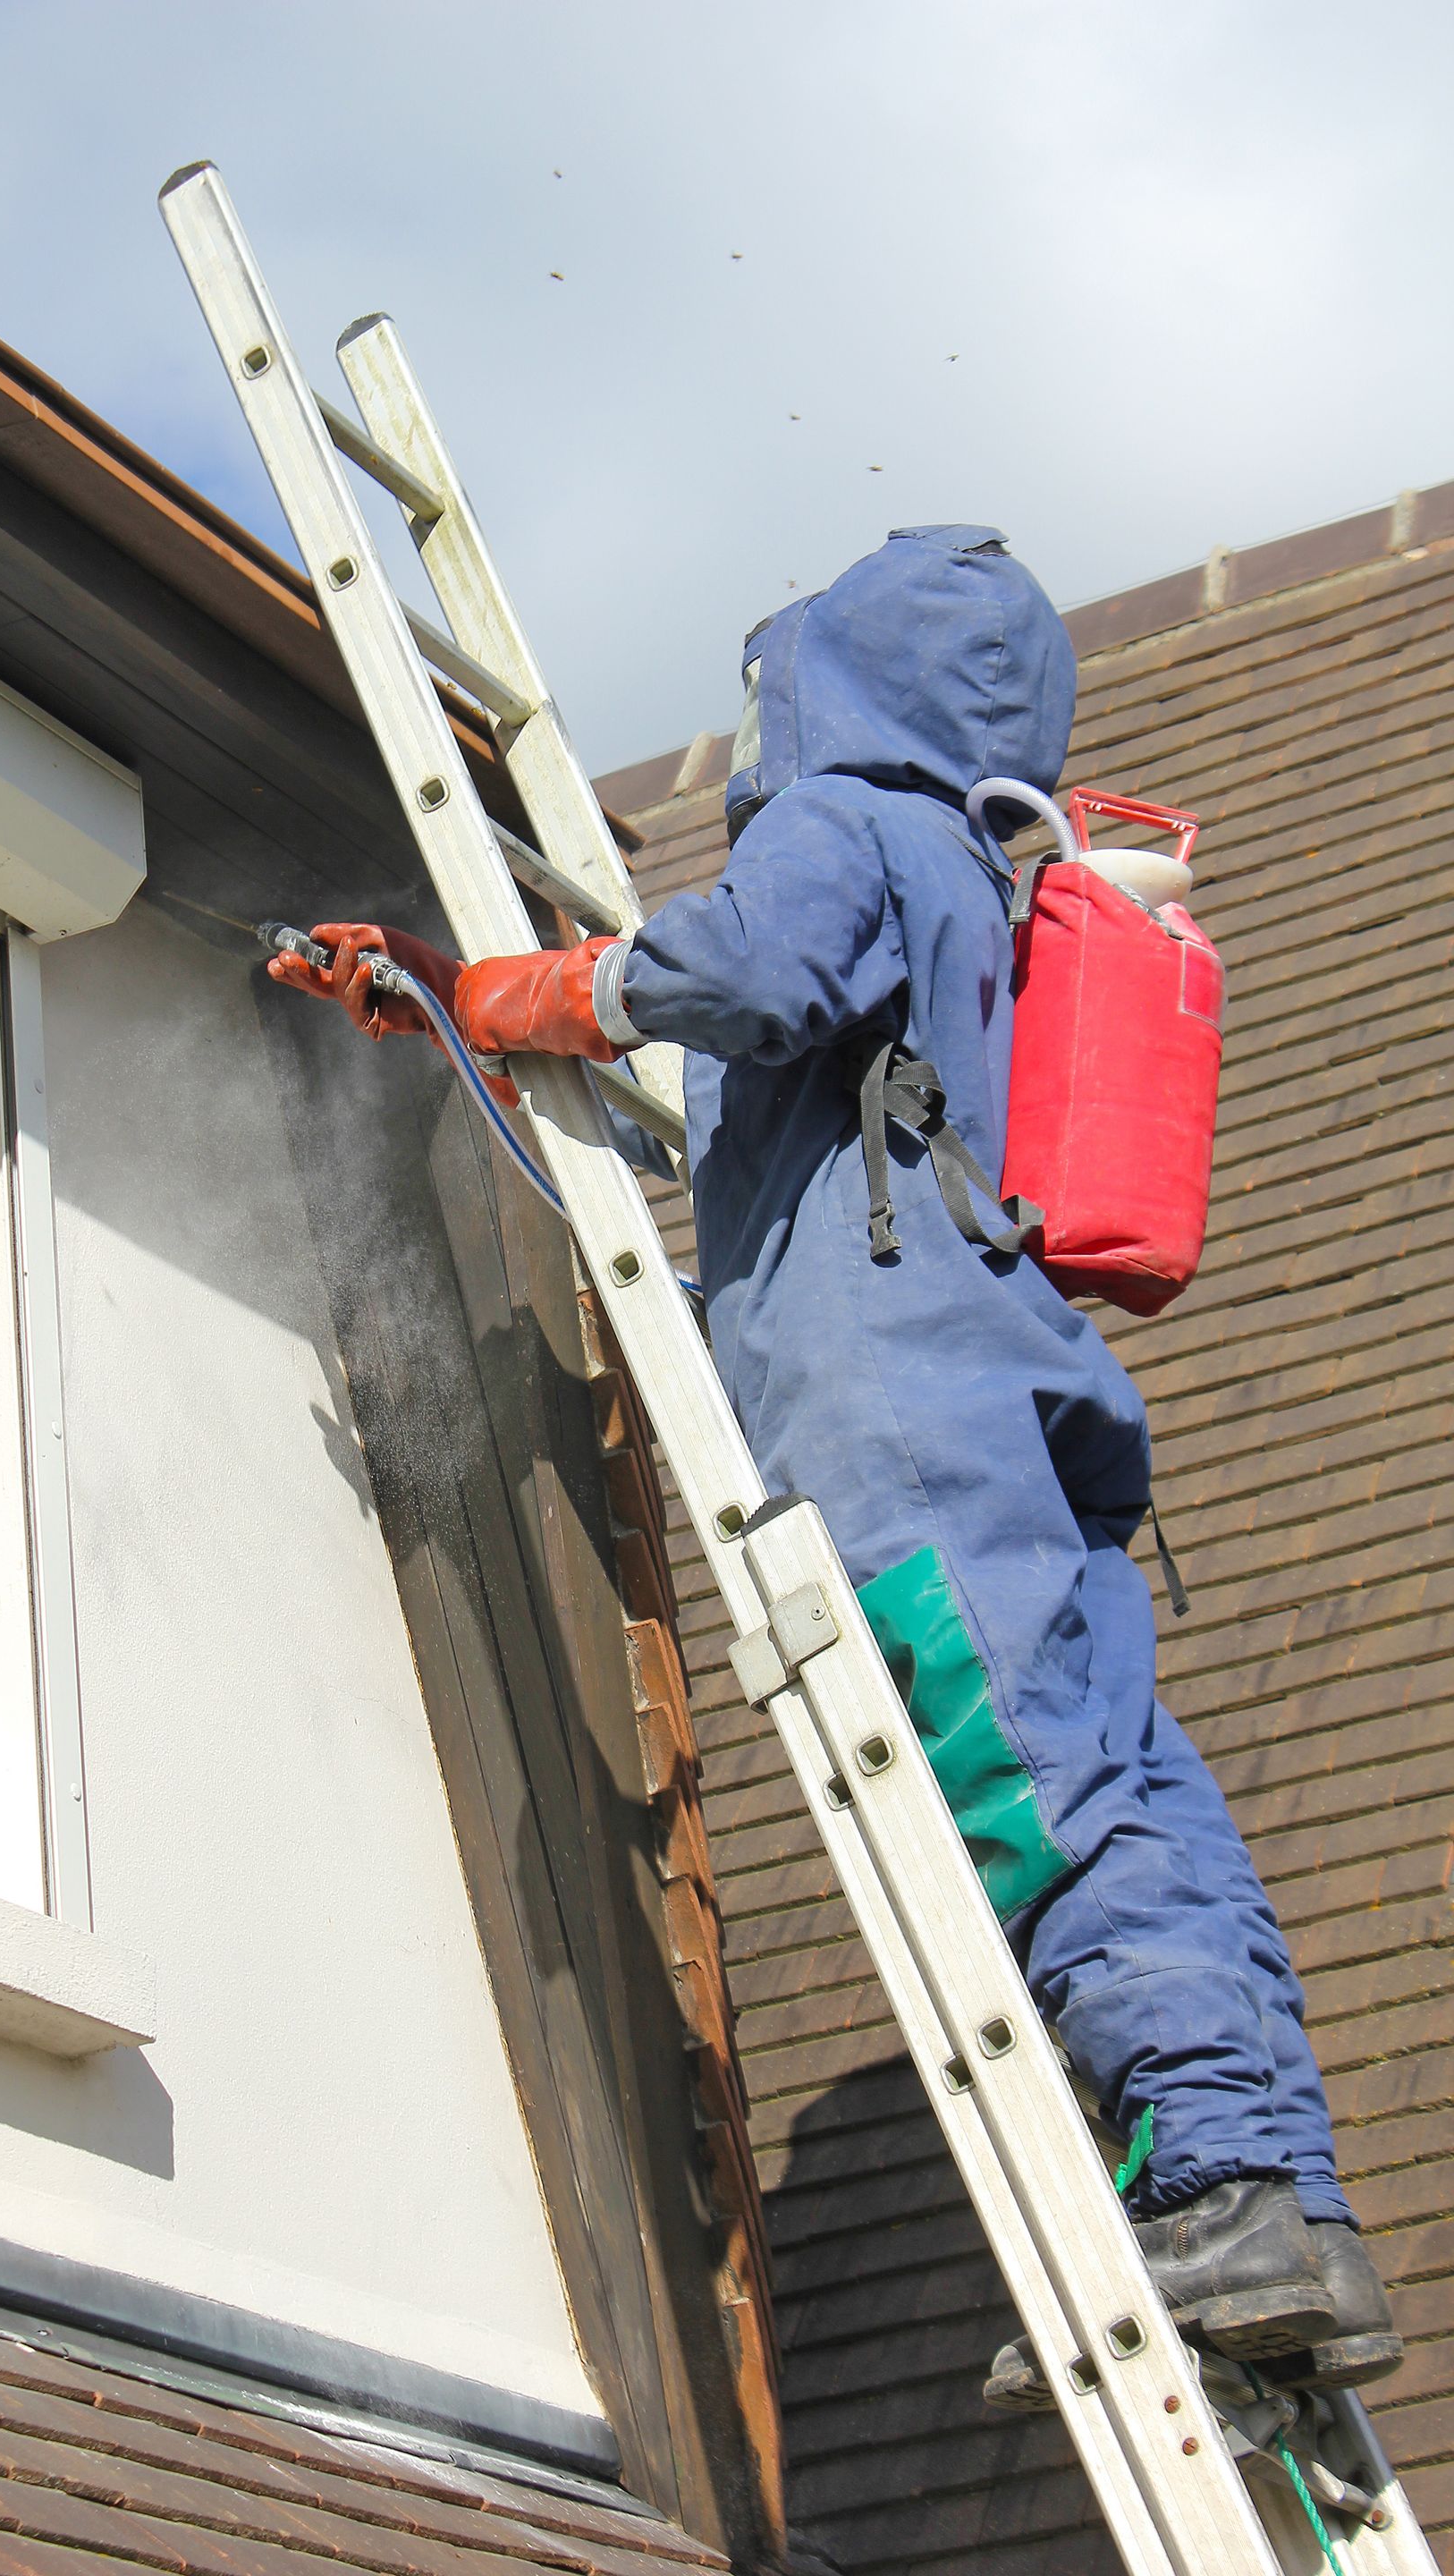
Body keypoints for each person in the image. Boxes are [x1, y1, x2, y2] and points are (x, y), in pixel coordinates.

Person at [274, 524, 1399, 2402]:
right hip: (999, 1407)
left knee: (1029, 1794)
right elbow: (789, 1106)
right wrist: (469, 1013)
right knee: (1131, 1788)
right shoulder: (972, 871)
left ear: (833, 687)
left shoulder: (847, 824)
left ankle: (1207, 2184)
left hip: (901, 1428)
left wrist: (513, 994)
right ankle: (1288, 2214)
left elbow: (753, 970)